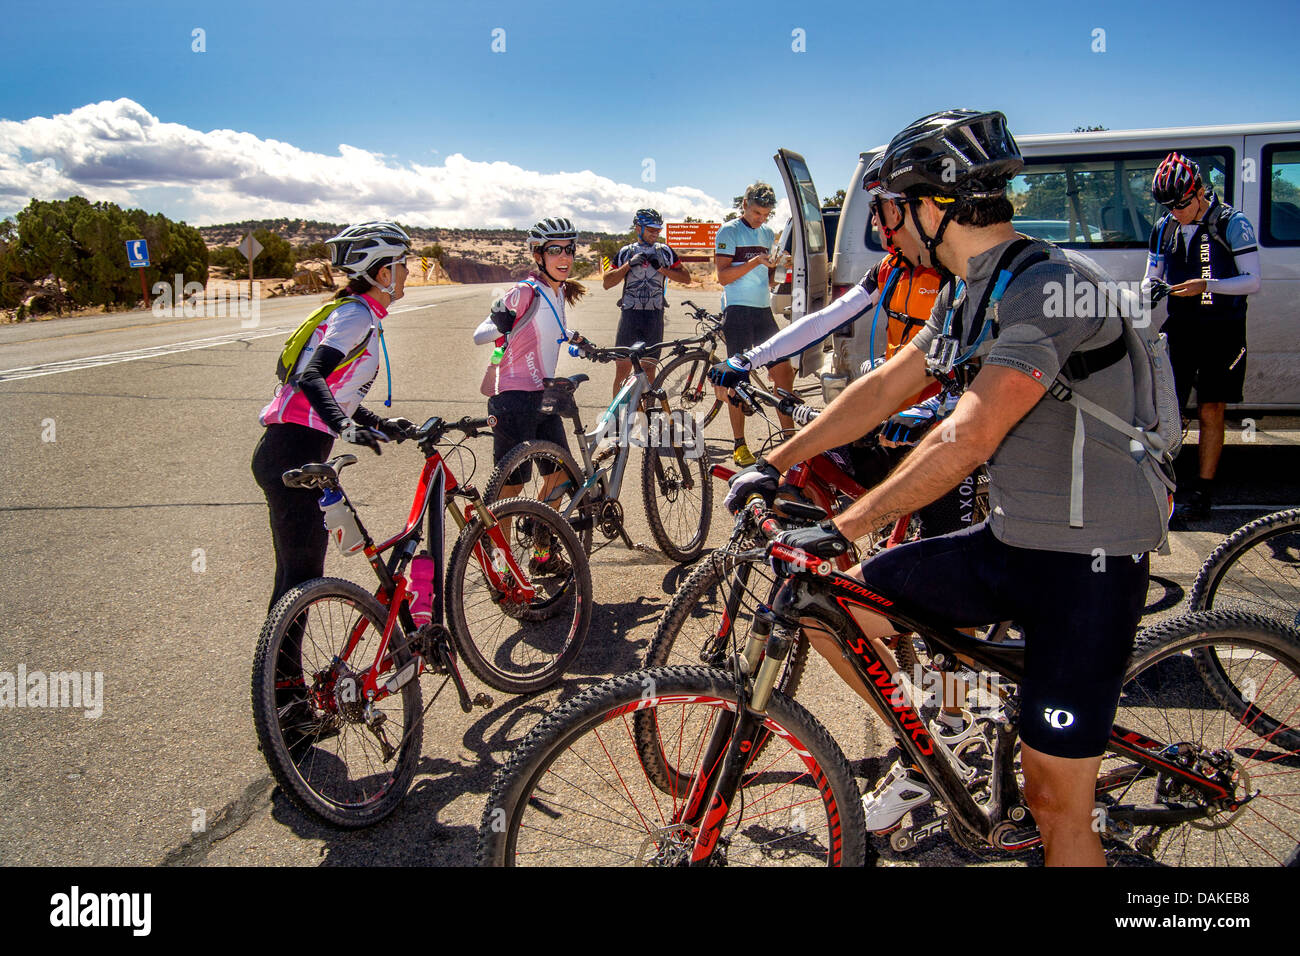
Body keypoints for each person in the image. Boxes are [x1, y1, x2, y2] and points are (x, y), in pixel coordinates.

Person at [727, 109, 1168, 866]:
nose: (885, 225)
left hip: (1087, 562)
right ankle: (938, 742)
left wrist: (846, 524)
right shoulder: (967, 290)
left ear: (935, 204)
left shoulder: (1048, 288)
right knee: (839, 611)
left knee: (1058, 807)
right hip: (1014, 541)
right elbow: (881, 391)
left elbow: (968, 436)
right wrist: (775, 462)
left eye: (891, 208)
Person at [253, 220, 416, 612]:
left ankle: (281, 670)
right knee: (300, 580)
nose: (409, 271)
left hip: (294, 448)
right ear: (383, 273)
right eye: (404, 263)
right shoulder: (356, 316)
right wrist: (344, 427)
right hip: (293, 451)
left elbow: (338, 391)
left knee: (298, 575)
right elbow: (312, 376)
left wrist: (378, 423)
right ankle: (283, 674)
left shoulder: (359, 314)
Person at [1143, 152, 1261, 525]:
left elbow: (1253, 280)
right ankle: (1164, 488)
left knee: (1211, 409)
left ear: (1198, 192)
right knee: (1166, 410)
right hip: (1181, 328)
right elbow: (1150, 275)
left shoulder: (1232, 223)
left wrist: (1207, 284)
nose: (1175, 212)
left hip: (1222, 329)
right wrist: (1149, 290)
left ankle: (1204, 492)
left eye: (1180, 204)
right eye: (1168, 206)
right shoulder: (1164, 227)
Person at [474, 217, 586, 502]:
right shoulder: (524, 291)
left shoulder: (557, 291)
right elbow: (480, 334)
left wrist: (575, 340)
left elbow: (546, 326)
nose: (564, 257)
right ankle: (498, 548)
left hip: (544, 395)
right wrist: (501, 323)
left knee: (560, 479)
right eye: (554, 250)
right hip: (513, 398)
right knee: (511, 488)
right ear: (538, 254)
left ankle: (540, 542)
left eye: (569, 249)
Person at [714, 182, 796, 466]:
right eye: (756, 211)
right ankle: (740, 444)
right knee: (737, 379)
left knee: (784, 372)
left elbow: (768, 279)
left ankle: (790, 439)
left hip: (763, 310)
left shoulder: (766, 233)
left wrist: (782, 267)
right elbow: (723, 276)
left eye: (765, 214)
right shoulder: (729, 230)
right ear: (745, 203)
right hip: (737, 311)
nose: (760, 218)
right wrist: (755, 261)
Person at [602, 208, 692, 400]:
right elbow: (607, 283)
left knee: (649, 368)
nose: (655, 233)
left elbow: (686, 278)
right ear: (638, 228)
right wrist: (628, 265)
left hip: (654, 316)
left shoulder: (665, 251)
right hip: (630, 315)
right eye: (651, 229)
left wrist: (661, 268)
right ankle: (617, 418)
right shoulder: (626, 252)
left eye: (658, 230)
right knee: (622, 369)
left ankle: (647, 415)